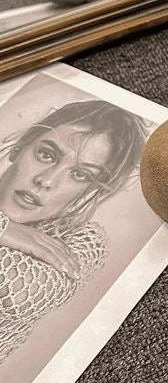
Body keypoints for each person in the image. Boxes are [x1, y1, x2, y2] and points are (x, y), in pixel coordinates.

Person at [0, 100, 148, 364]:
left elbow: (18, 293)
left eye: (80, 175)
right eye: (46, 155)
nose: (46, 181)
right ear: (22, 146)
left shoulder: (85, 241)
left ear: (91, 190)